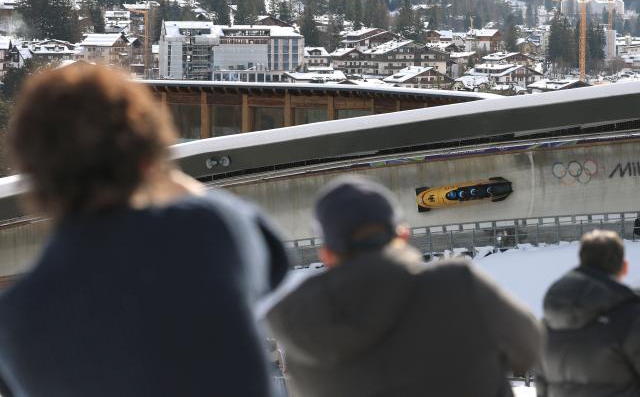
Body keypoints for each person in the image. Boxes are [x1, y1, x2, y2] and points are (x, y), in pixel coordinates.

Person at [0, 64, 288, 396]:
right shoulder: (212, 231)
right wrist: (161, 171)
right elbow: (275, 267)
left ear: (35, 176)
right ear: (145, 156)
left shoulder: (16, 322)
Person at [265, 176, 542, 397]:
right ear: (403, 234)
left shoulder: (296, 326)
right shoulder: (457, 285)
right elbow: (532, 348)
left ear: (326, 254)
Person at [537, 230, 640, 397]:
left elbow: (542, 389)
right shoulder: (631, 318)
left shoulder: (547, 323)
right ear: (624, 267)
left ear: (582, 261)